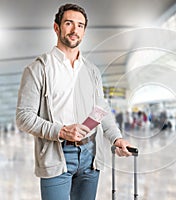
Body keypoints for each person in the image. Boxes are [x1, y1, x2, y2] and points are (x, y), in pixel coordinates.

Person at [15, 3, 132, 200]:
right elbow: (23, 116)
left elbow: (100, 110)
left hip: (90, 155)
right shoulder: (38, 69)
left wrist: (116, 138)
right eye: (68, 23)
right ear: (56, 27)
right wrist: (61, 131)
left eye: (80, 25)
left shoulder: (91, 71)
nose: (74, 30)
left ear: (84, 31)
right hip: (57, 155)